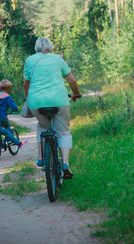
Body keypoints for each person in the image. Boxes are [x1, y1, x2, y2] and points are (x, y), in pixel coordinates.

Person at [23, 37, 81, 179]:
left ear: (36, 47)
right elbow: (72, 80)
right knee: (64, 133)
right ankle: (65, 164)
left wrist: (26, 97)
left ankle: (41, 157)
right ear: (51, 47)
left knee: (42, 126)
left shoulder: (30, 60)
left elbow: (26, 84)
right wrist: (76, 93)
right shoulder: (57, 58)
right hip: (59, 100)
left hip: (36, 102)